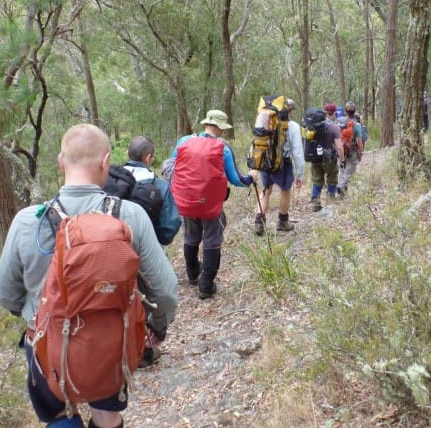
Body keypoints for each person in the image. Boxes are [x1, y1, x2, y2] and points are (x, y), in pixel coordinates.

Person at [0, 123, 178, 428]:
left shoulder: (27, 221)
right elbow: (165, 290)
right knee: (107, 410)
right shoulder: (130, 216)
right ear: (106, 162)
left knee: (56, 409)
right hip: (111, 344)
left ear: (61, 162)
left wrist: (35, 312)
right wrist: (157, 327)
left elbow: (5, 294)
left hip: (46, 348)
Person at [170, 109, 256, 299]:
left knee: (190, 236)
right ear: (220, 128)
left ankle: (193, 274)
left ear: (206, 124)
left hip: (185, 201)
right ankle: (206, 285)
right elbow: (236, 179)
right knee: (212, 239)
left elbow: (171, 167)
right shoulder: (222, 148)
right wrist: (251, 178)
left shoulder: (183, 142)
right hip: (210, 205)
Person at [111, 135, 182, 246]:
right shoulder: (161, 186)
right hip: (149, 248)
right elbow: (168, 229)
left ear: (127, 154)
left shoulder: (111, 179)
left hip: (115, 248)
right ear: (148, 158)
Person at [254, 98, 305, 235]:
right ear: (290, 111)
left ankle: (259, 222)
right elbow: (298, 152)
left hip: (265, 161)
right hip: (283, 163)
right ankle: (283, 221)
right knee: (285, 190)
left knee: (265, 190)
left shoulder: (266, 123)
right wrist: (300, 174)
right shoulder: (293, 126)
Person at [310, 103, 345, 212]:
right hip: (329, 159)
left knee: (317, 180)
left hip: (315, 157)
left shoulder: (313, 125)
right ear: (334, 113)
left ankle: (315, 203)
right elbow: (339, 146)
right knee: (332, 179)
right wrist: (342, 160)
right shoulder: (334, 127)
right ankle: (330, 202)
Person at [336, 101, 365, 197]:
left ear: (345, 111)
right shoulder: (356, 125)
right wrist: (360, 153)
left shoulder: (339, 122)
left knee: (341, 169)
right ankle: (340, 186)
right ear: (355, 111)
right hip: (351, 151)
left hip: (340, 149)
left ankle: (341, 191)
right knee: (349, 170)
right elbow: (360, 141)